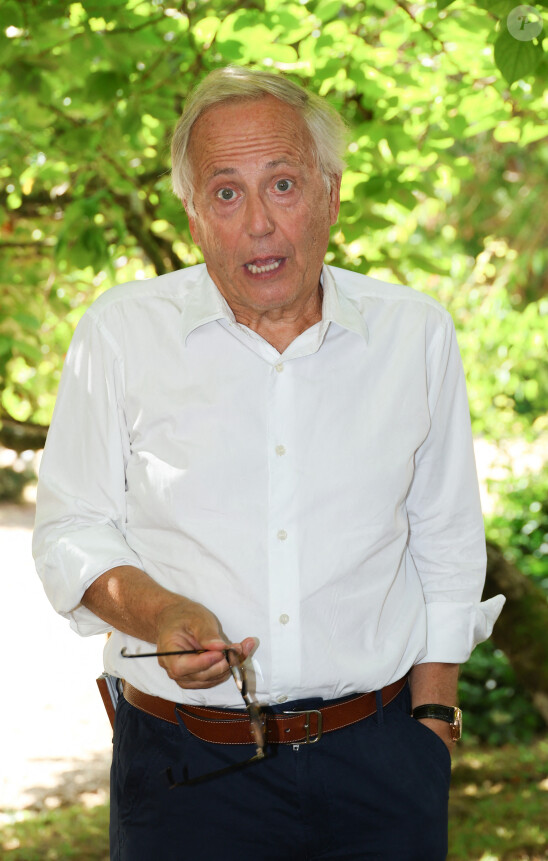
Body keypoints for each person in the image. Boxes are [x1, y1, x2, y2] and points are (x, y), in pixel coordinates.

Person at [33, 65, 505, 860]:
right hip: (185, 771)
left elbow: (448, 539)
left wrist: (434, 725)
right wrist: (158, 614)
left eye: (282, 184)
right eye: (225, 192)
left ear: (331, 192)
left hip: (381, 758)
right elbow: (70, 531)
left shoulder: (415, 336)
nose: (257, 223)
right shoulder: (120, 334)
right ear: (192, 214)